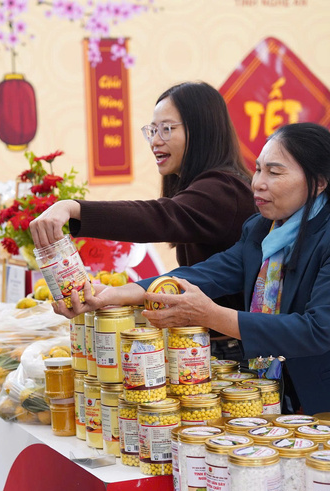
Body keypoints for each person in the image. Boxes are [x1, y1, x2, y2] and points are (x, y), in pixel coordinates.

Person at [57, 123, 330, 434]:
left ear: (317, 182)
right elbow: (206, 274)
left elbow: (317, 331)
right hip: (290, 410)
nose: (258, 184)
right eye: (257, 170)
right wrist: (117, 294)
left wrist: (210, 315)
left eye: (274, 172)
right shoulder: (261, 230)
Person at [30, 81, 256, 357]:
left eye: (167, 129)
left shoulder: (225, 190)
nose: (155, 140)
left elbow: (158, 216)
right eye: (152, 130)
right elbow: (187, 277)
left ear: (202, 131)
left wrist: (74, 208)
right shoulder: (204, 187)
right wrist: (115, 295)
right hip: (207, 342)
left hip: (233, 350)